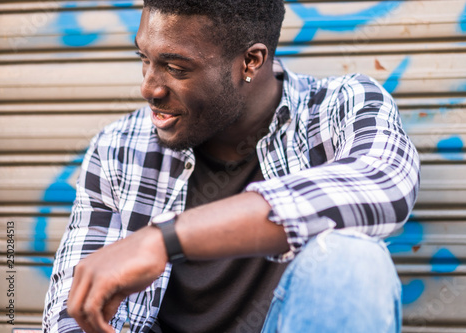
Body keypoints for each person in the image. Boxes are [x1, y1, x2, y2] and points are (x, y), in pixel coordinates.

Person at [43, 0, 420, 332]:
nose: (149, 88)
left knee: (352, 262)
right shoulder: (119, 148)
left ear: (250, 61)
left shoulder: (337, 108)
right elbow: (74, 314)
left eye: (175, 67)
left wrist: (164, 239)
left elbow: (385, 182)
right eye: (144, 58)